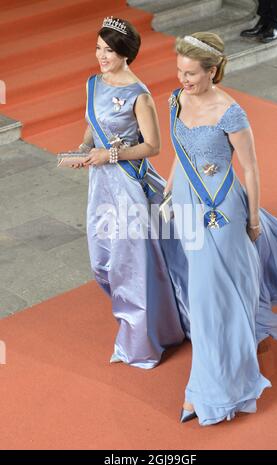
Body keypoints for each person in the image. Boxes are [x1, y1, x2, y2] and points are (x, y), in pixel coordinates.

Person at [165, 32, 277, 425]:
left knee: (209, 300)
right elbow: (180, 150)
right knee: (211, 294)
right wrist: (171, 191)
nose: (183, 79)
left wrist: (254, 219)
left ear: (213, 70)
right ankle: (236, 347)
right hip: (189, 207)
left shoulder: (231, 112)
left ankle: (208, 390)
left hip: (222, 213)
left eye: (191, 73)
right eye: (179, 70)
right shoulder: (176, 100)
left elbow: (252, 169)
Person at [75, 17, 190, 369]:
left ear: (126, 53)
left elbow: (153, 146)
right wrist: (83, 147)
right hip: (101, 186)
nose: (101, 56)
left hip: (127, 187)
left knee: (132, 264)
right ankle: (150, 322)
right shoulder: (93, 84)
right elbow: (92, 124)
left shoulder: (139, 95)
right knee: (102, 261)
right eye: (98, 48)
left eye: (108, 50)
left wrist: (108, 155)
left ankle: (141, 340)